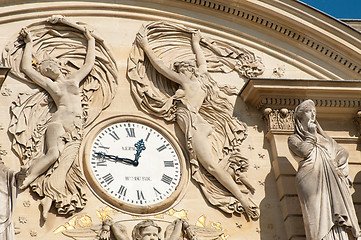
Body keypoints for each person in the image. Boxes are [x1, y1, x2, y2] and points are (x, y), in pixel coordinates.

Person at [136, 30, 258, 220]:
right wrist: (196, 42)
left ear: (186, 71)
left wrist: (145, 46)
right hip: (199, 123)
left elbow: (160, 67)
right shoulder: (201, 78)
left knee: (211, 166)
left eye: (179, 71)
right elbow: (202, 62)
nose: (177, 74)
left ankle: (241, 197)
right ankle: (235, 177)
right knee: (211, 165)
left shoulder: (186, 82)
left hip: (194, 124)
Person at [18, 26, 95, 219]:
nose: (47, 70)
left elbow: (88, 63)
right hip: (58, 122)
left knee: (65, 163)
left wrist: (90, 40)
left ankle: (51, 196)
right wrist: (29, 44)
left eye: (49, 66)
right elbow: (27, 68)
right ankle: (27, 180)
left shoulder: (73, 80)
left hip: (75, 127)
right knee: (53, 154)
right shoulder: (52, 85)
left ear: (57, 65)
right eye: (44, 70)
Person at [288, 99, 360, 240]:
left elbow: (343, 152)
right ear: (300, 117)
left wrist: (335, 163)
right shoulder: (294, 138)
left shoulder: (325, 138)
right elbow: (304, 151)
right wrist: (311, 134)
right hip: (310, 178)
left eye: (315, 112)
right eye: (309, 112)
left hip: (331, 177)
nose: (313, 115)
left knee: (335, 211)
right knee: (316, 215)